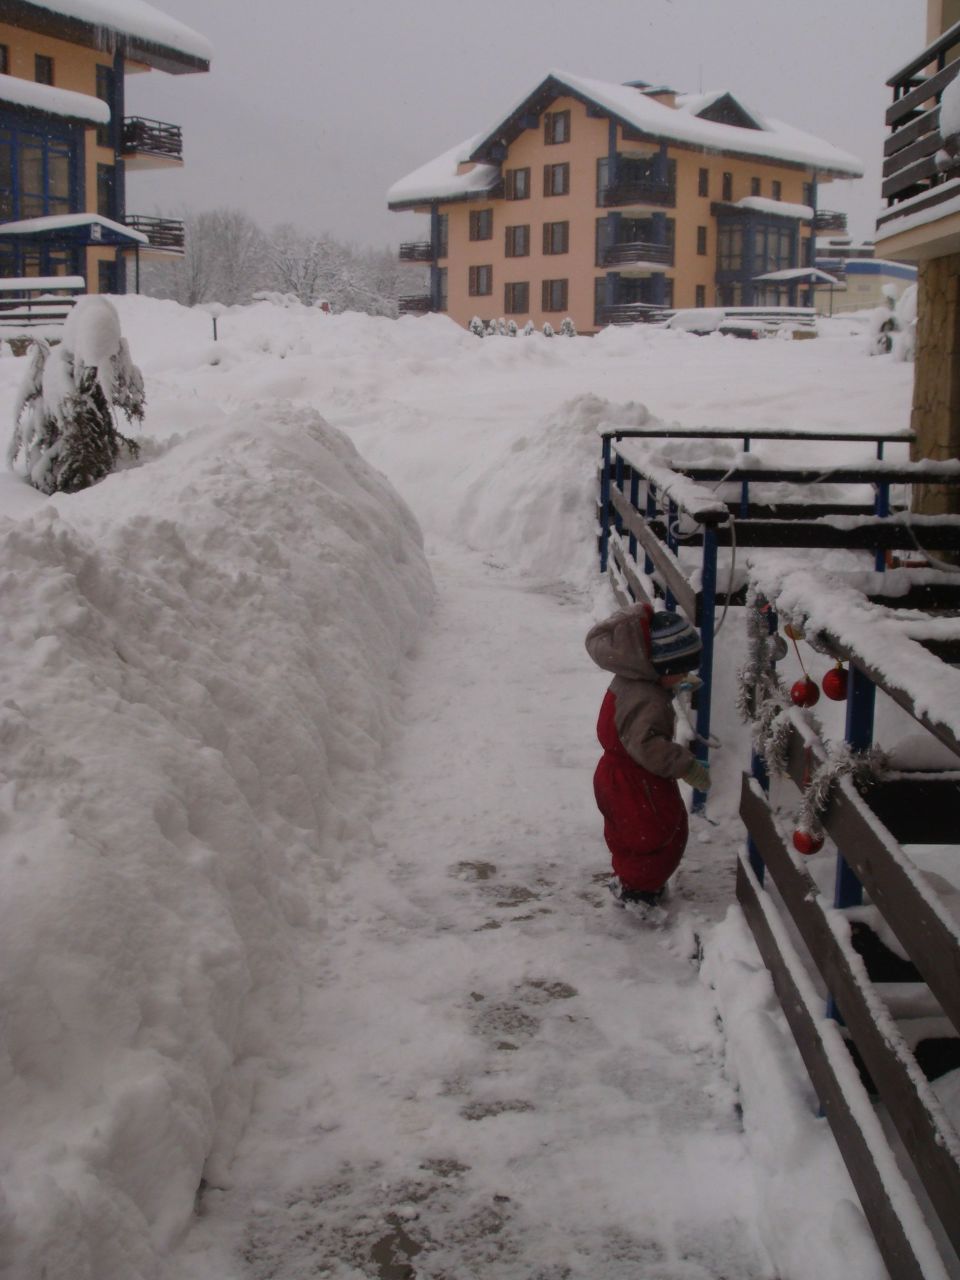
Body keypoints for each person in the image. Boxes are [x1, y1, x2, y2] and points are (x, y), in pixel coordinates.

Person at [585, 602, 710, 908]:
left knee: (630, 835)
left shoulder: (635, 676)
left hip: (619, 777)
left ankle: (631, 882)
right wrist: (687, 765)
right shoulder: (646, 698)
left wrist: (674, 683)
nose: (685, 675)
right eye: (681, 670)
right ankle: (639, 894)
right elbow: (646, 745)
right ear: (661, 668)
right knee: (657, 835)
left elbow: (643, 707)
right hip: (635, 780)